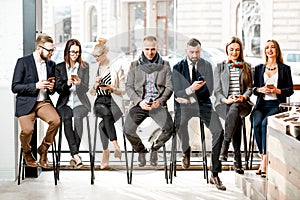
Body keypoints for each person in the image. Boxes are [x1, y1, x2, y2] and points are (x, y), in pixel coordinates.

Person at [173, 38, 226, 190]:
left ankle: (214, 173)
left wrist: (189, 96)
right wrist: (191, 89)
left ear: (200, 51)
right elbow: (177, 91)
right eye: (192, 52)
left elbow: (208, 90)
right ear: (186, 51)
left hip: (203, 105)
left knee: (218, 131)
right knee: (178, 124)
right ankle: (186, 150)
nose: (195, 55)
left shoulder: (207, 65)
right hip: (183, 107)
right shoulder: (177, 67)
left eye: (197, 52)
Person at [11, 33, 61, 168]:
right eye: (49, 50)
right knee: (27, 130)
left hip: (43, 102)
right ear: (39, 48)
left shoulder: (51, 64)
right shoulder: (23, 62)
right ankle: (27, 153)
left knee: (56, 121)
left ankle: (43, 149)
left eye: (53, 50)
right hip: (26, 103)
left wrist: (52, 87)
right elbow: (15, 87)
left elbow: (53, 88)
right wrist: (35, 86)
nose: (51, 53)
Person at [123, 35, 173, 167]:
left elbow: (169, 87)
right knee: (128, 129)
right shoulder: (134, 65)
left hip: (157, 105)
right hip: (140, 104)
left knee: (169, 128)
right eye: (147, 49)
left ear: (157, 48)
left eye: (152, 49)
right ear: (142, 49)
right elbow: (128, 86)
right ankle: (142, 151)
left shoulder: (165, 65)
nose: (150, 52)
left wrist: (160, 101)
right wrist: (139, 102)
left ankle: (154, 148)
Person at [252, 39, 293, 178]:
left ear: (277, 50)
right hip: (261, 105)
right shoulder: (258, 68)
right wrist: (260, 89)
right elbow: (253, 89)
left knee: (265, 124)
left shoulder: (284, 68)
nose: (270, 50)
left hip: (276, 106)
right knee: (256, 123)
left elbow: (290, 90)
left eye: (273, 47)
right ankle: (264, 156)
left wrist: (277, 90)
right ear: (265, 51)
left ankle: (263, 163)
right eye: (267, 47)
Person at [214, 36, 253, 175]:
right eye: (231, 49)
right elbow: (217, 91)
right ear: (227, 50)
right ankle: (237, 161)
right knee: (235, 117)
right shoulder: (219, 67)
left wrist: (244, 96)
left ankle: (225, 145)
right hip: (224, 104)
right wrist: (226, 100)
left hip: (242, 103)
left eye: (237, 50)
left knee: (236, 109)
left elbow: (250, 87)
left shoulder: (246, 66)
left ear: (240, 51)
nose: (234, 52)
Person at [55, 39, 91, 168]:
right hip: (65, 103)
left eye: (77, 52)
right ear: (67, 52)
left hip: (81, 102)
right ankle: (75, 155)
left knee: (77, 117)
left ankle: (74, 154)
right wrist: (67, 84)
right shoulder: (59, 67)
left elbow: (86, 88)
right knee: (66, 117)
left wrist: (80, 84)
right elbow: (58, 89)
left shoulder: (84, 66)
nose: (75, 55)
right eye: (72, 52)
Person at [90, 38, 125, 169]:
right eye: (94, 56)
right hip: (100, 101)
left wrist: (112, 89)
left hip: (114, 101)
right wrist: (96, 85)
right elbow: (91, 92)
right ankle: (116, 145)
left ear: (105, 54)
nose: (96, 59)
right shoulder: (95, 69)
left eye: (98, 56)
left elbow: (123, 91)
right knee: (106, 114)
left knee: (102, 125)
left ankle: (106, 152)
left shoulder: (116, 68)